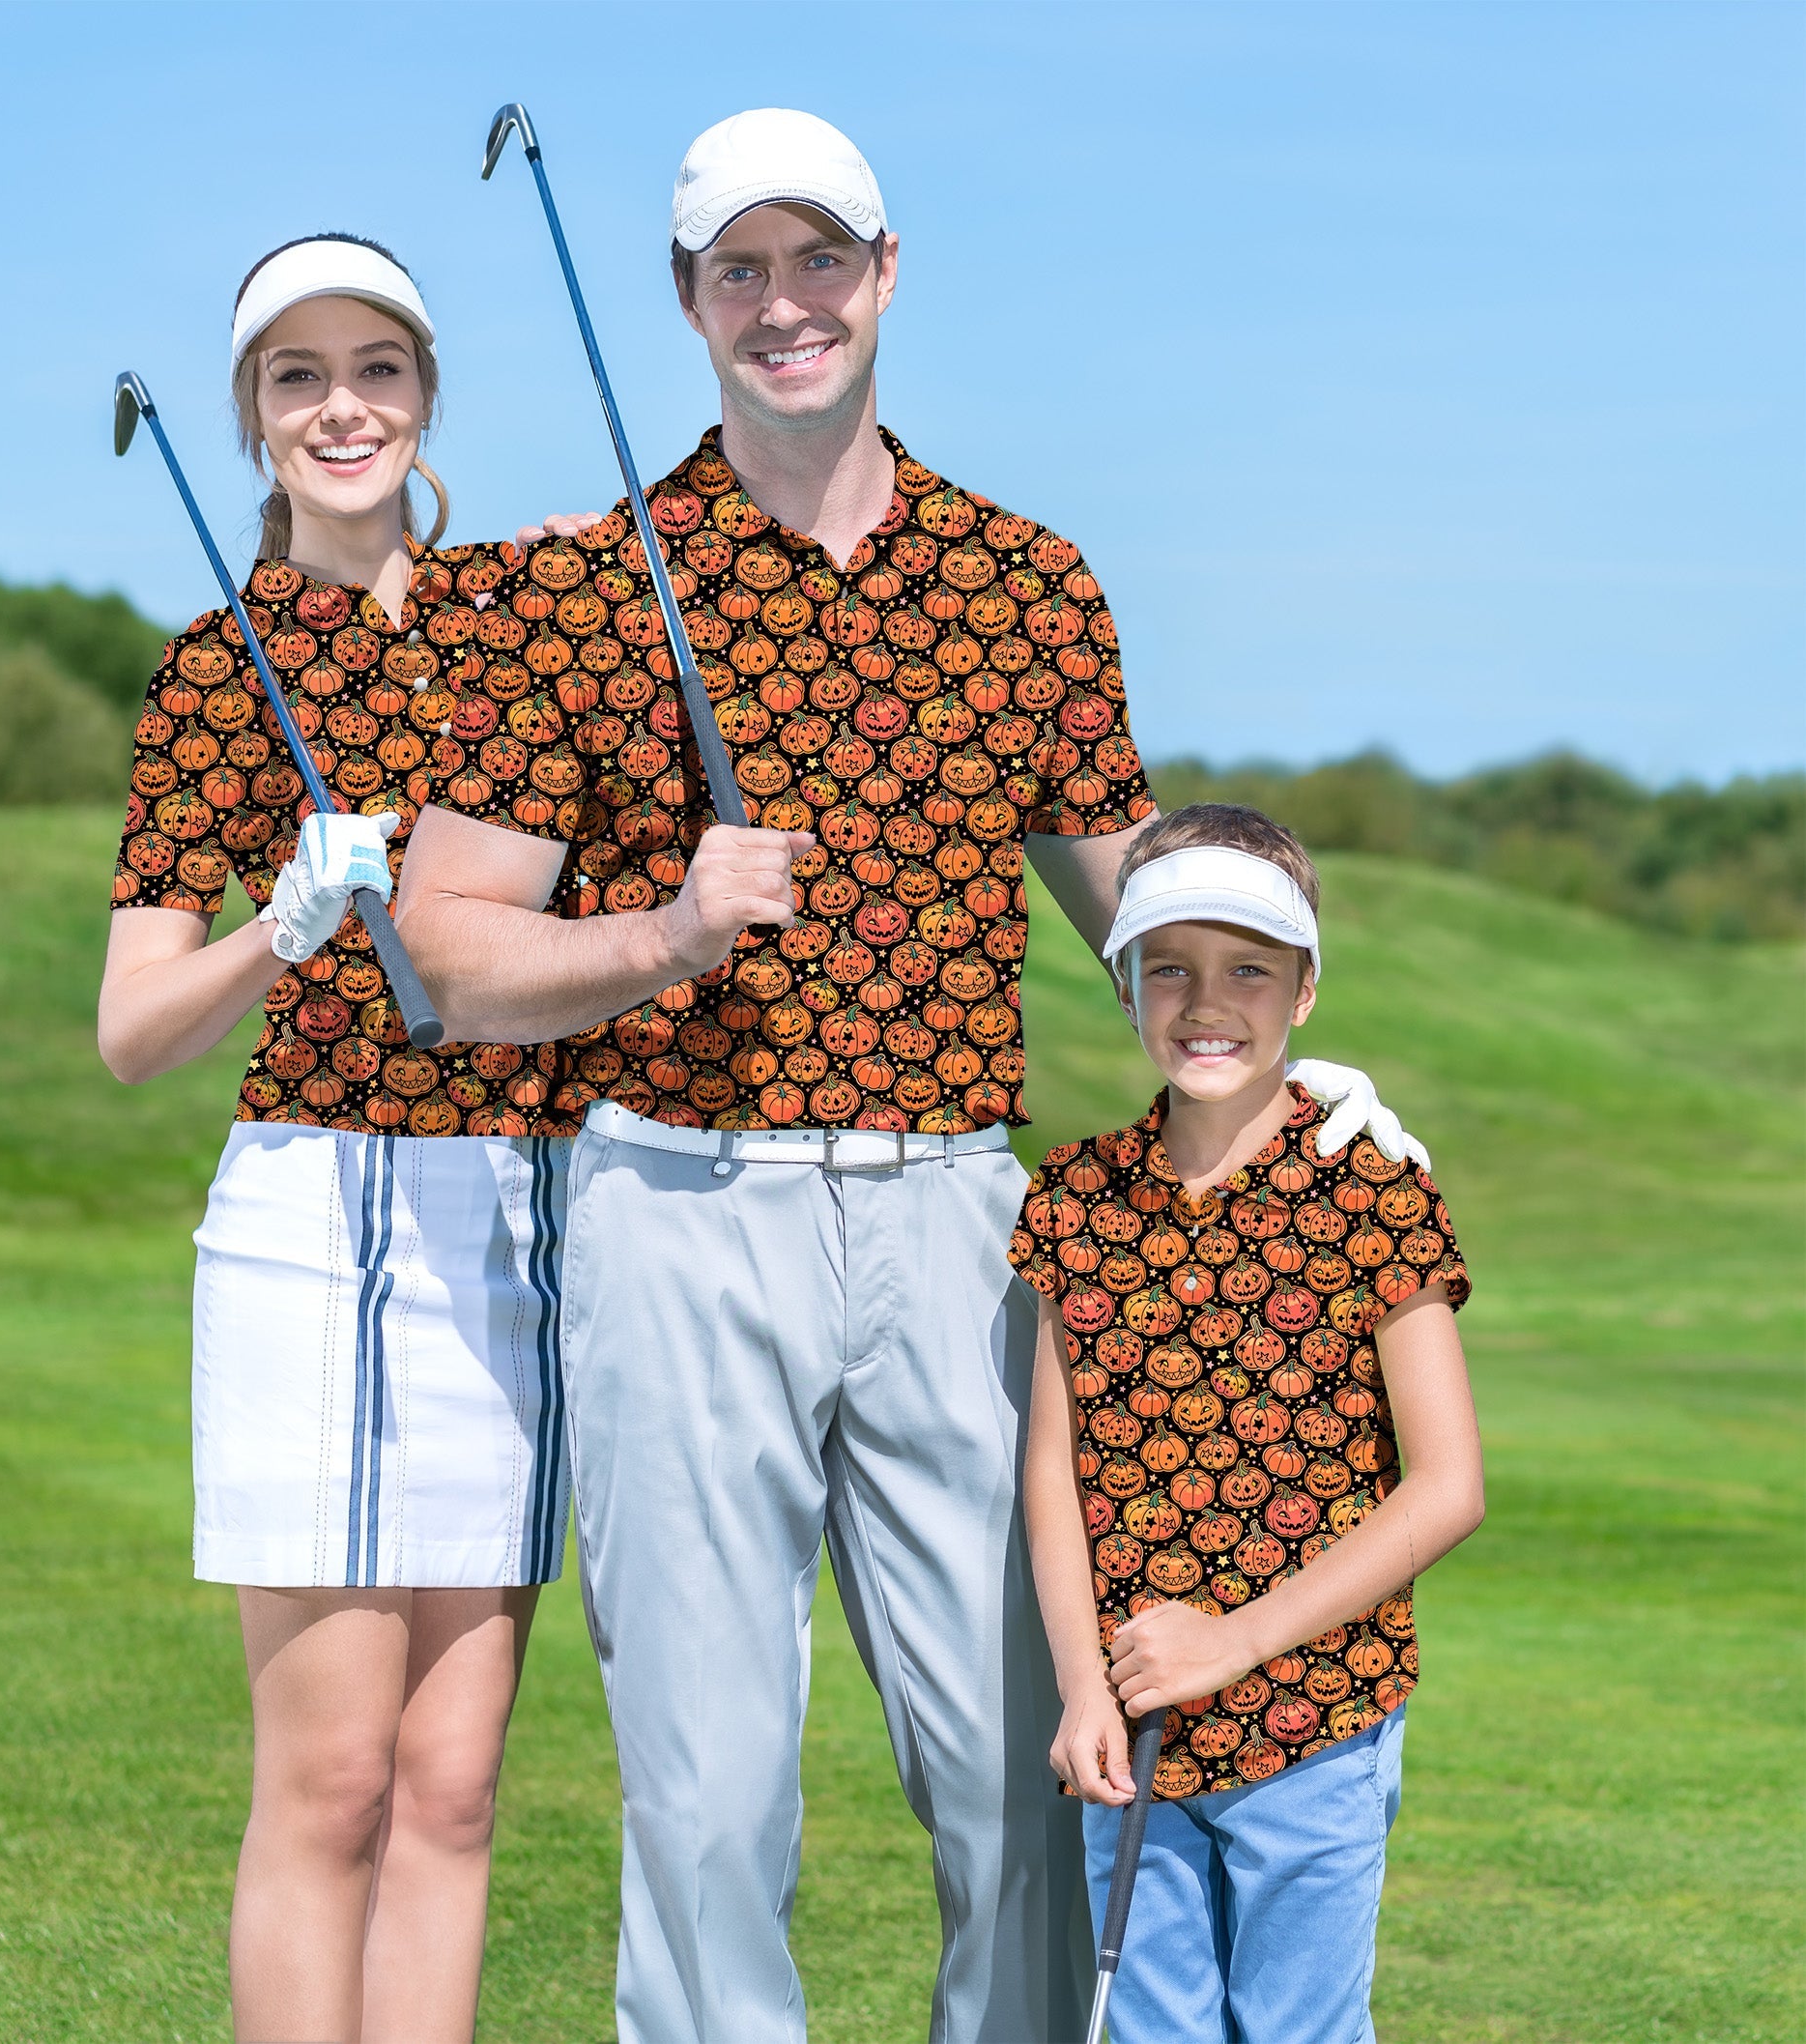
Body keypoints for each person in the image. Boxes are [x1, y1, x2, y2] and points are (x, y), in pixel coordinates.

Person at [394, 112, 1419, 2042]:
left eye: (819, 260)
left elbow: (1135, 907)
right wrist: (660, 936)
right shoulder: (581, 589)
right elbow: (444, 946)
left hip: (959, 1223)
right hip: (678, 1205)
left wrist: (1289, 1047)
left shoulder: (1027, 584)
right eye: (740, 269)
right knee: (709, 1799)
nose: (784, 304)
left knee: (1025, 1773)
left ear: (884, 273)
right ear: (688, 300)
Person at [99, 233, 590, 2044]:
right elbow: (134, 1030)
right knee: (332, 1781)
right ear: (253, 415)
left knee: (452, 1784)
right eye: (295, 376)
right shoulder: (211, 672)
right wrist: (278, 927)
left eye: (375, 368)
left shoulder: (528, 629)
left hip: (508, 1216)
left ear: (426, 393)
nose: (341, 407)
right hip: (313, 1215)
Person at [1011, 802, 1485, 2043]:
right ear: (1123, 982)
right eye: (1168, 967)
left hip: (1317, 1717)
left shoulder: (1373, 1190)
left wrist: (1232, 1644)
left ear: (1306, 991)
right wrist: (1081, 1688)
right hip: (1131, 1727)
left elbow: (1448, 1486)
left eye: (1249, 971)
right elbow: (1053, 1470)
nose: (1205, 1002)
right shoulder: (1075, 1197)